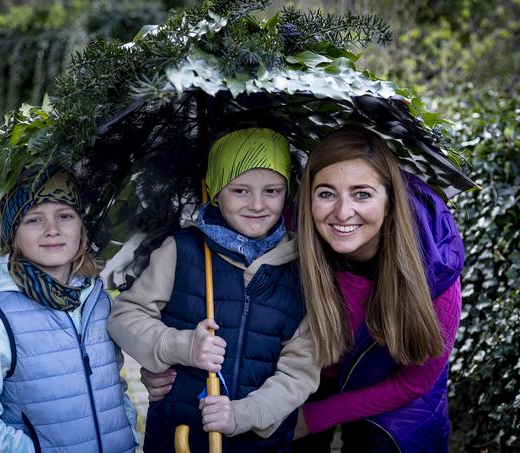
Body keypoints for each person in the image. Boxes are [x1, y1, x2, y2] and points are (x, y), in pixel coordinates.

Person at [107, 127, 320, 452]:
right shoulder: (183, 251)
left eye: (272, 191)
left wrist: (241, 415)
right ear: (215, 191)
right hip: (178, 436)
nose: (257, 204)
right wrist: (180, 345)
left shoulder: (302, 269)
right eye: (240, 191)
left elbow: (300, 372)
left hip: (260, 443)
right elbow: (124, 317)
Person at [291, 128, 464, 452]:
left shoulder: (436, 270)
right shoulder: (289, 242)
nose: (342, 213)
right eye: (326, 193)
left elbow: (414, 381)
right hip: (315, 374)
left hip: (397, 390)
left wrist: (313, 418)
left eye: (362, 194)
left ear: (389, 201)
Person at [0, 168, 139, 453]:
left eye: (65, 215)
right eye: (34, 219)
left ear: (81, 228)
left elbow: (112, 385)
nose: (52, 230)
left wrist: (128, 432)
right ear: (13, 234)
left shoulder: (98, 303)